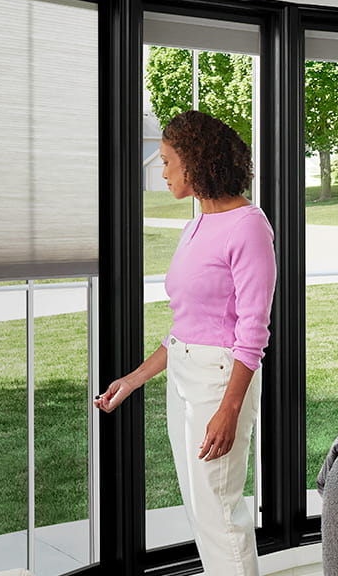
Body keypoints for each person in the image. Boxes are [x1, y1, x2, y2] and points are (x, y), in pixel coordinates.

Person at [95, 110, 274, 576]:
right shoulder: (195, 226)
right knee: (201, 508)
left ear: (196, 163)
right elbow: (185, 327)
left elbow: (252, 330)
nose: (163, 169)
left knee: (219, 512)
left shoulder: (248, 226)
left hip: (220, 381)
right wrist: (132, 381)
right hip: (185, 376)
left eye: (168, 161)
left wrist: (230, 409)